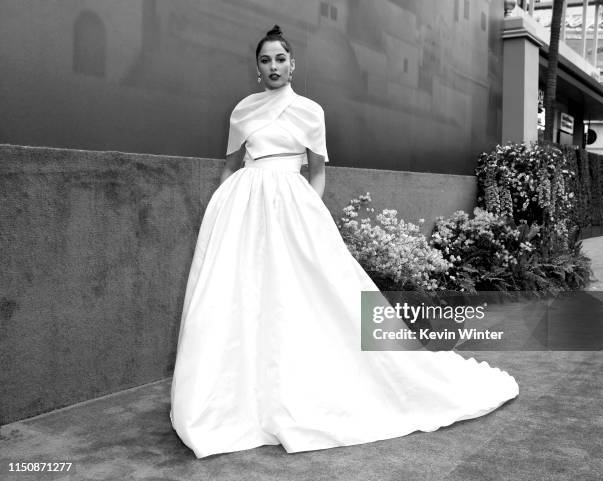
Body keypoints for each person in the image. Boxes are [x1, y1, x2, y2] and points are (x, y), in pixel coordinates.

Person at [169, 25, 519, 459]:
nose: (273, 66)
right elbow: (229, 166)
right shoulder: (242, 110)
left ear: (293, 64)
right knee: (239, 295)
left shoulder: (311, 112)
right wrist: (219, 209)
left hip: (293, 207)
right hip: (241, 210)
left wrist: (308, 212)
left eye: (280, 59)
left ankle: (302, 387)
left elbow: (317, 170)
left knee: (306, 295)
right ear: (256, 67)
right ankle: (233, 395)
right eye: (265, 60)